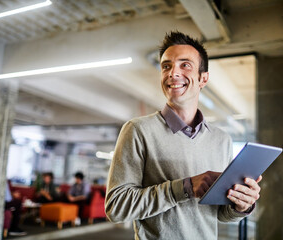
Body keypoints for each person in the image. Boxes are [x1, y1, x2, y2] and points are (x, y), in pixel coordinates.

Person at [105, 31, 262, 240]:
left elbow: (220, 214)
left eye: (185, 64)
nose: (173, 73)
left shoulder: (221, 140)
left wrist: (241, 205)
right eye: (166, 66)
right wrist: (184, 188)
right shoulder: (137, 130)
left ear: (203, 78)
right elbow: (116, 207)